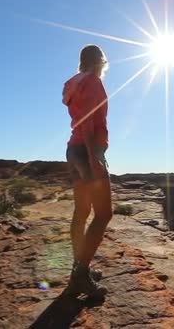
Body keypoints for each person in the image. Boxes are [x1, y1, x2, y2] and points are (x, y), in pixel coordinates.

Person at [62, 44, 112, 298]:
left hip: (73, 149)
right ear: (99, 61)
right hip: (87, 150)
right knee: (104, 214)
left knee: (82, 211)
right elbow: (90, 122)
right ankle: (80, 275)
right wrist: (95, 158)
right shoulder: (92, 81)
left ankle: (78, 268)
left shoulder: (73, 82)